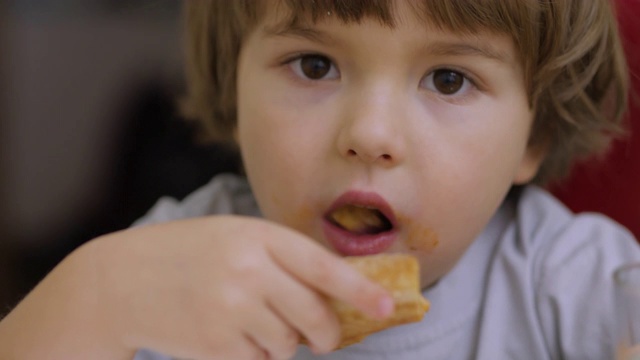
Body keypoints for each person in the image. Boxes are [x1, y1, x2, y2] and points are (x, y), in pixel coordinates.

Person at [0, 0, 637, 359]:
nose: (370, 134)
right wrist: (90, 298)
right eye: (314, 64)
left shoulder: (571, 287)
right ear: (234, 85)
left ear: (535, 138)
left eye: (449, 79)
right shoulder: (175, 264)